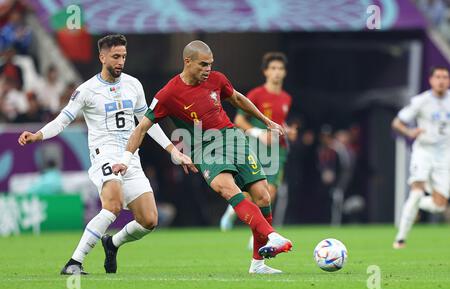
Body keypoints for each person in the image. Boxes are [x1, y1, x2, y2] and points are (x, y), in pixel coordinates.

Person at [18, 34, 196, 275]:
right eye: (115, 57)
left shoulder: (133, 85)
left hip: (130, 156)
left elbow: (148, 124)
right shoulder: (87, 90)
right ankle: (74, 263)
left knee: (149, 220)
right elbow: (63, 120)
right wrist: (38, 135)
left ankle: (112, 243)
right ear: (102, 57)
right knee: (111, 206)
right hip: (105, 155)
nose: (120, 61)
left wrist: (174, 151)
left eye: (123, 56)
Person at [112, 40, 293, 274]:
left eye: (211, 64)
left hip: (233, 138)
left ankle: (258, 263)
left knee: (264, 196)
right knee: (226, 188)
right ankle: (272, 235)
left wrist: (266, 120)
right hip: (204, 147)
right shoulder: (168, 94)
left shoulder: (217, 79)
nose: (208, 69)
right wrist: (125, 160)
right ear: (187, 61)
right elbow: (141, 128)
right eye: (203, 64)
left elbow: (237, 99)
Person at [219, 52, 297, 234]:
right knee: (250, 193)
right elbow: (239, 120)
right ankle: (232, 211)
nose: (277, 72)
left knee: (269, 193)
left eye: (280, 69)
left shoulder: (286, 98)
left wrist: (288, 131)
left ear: (285, 72)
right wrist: (260, 133)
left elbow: (279, 122)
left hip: (278, 151)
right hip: (255, 148)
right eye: (273, 68)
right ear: (265, 72)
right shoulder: (256, 94)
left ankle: (260, 235)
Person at [392, 66, 450, 249]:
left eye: (445, 77)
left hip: (445, 155)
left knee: (440, 206)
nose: (441, 80)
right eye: (438, 77)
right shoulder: (421, 101)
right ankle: (400, 239)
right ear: (431, 80)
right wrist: (409, 131)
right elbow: (397, 122)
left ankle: (415, 205)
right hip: (424, 151)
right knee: (417, 190)